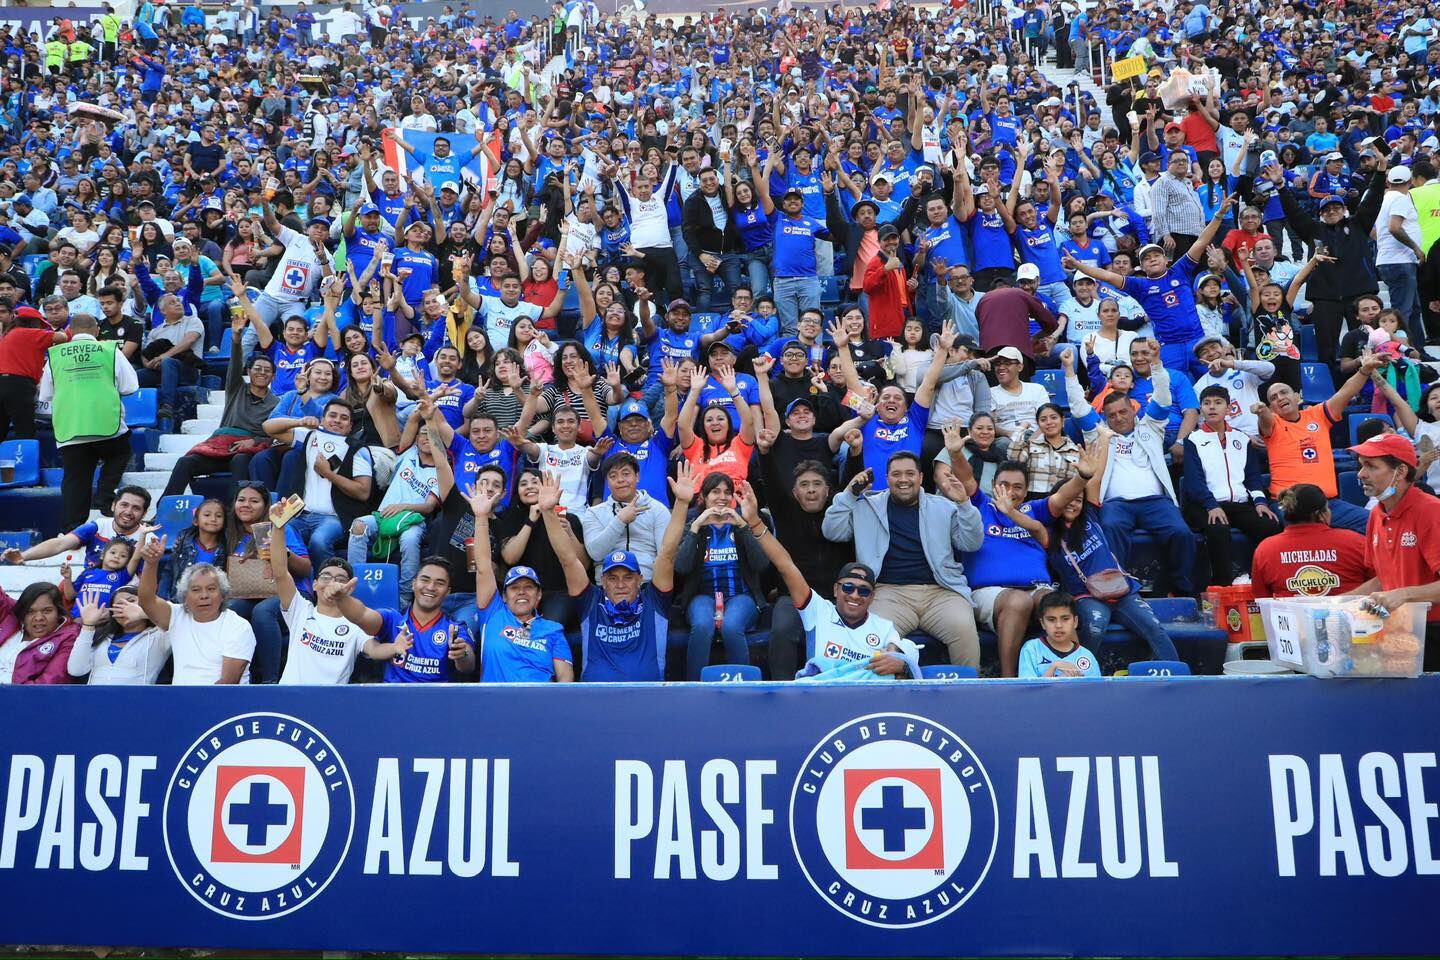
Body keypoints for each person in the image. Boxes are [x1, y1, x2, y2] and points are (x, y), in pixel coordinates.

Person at [739, 478, 919, 681]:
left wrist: (902, 663)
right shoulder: (819, 611)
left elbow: (907, 655)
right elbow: (786, 566)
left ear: (872, 597)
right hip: (823, 699)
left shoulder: (884, 628)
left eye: (864, 590)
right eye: (848, 587)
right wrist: (754, 522)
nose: (855, 595)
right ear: (836, 590)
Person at [822, 451, 984, 666]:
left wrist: (964, 503)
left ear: (921, 477)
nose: (903, 479)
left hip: (941, 592)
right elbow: (832, 531)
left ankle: (966, 695)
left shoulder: (943, 506)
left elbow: (971, 543)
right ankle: (876, 698)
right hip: (889, 593)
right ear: (887, 479)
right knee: (871, 642)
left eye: (910, 473)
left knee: (965, 630)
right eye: (896, 474)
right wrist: (849, 495)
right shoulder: (866, 506)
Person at [1063, 349, 1195, 595]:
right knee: (1110, 528)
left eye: (1123, 412)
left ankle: (1179, 588)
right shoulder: (1100, 432)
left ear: (1134, 410)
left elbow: (1164, 398)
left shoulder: (1151, 427)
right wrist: (1070, 370)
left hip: (1156, 502)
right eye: (1111, 415)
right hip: (1116, 503)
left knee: (1182, 533)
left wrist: (1156, 363)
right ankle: (1120, 589)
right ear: (1105, 417)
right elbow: (1078, 408)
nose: (1118, 418)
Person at [546, 461, 693, 681]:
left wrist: (681, 503)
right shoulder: (591, 603)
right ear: (603, 581)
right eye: (613, 578)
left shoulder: (654, 602)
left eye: (628, 577)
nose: (621, 584)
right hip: (597, 703)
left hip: (648, 701)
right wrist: (548, 512)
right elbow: (568, 560)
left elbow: (667, 554)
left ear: (640, 579)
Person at [267, 495, 409, 684]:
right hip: (290, 699)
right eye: (326, 577)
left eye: (340, 579)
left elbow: (374, 650)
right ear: (315, 584)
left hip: (330, 704)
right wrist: (278, 527)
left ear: (349, 589)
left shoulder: (355, 624)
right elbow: (280, 573)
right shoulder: (300, 610)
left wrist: (395, 647)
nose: (332, 582)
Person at [1255, 353, 1387, 534]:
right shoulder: (1273, 424)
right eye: (1273, 398)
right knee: (1304, 535)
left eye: (1284, 392)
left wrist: (1364, 371)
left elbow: (1345, 392)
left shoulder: (1318, 415)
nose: (1279, 398)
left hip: (1328, 503)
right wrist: (1261, 411)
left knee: (1376, 524)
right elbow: (1265, 420)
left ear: (1298, 397)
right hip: (1289, 504)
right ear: (1272, 408)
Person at [469, 474, 574, 682]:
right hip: (495, 706)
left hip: (537, 709)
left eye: (529, 587)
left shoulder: (552, 630)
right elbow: (483, 567)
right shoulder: (492, 613)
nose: (522, 592)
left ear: (539, 596)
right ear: (504, 595)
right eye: (515, 588)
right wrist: (481, 518)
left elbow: (565, 682)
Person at [38, 312, 138, 530]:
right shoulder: (110, 350)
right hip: (107, 424)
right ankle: (104, 495)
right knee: (121, 452)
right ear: (97, 331)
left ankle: (73, 529)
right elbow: (130, 387)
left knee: (75, 480)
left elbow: (45, 395)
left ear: (70, 332)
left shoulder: (54, 355)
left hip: (70, 427)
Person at [1348, 433, 1440, 669]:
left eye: (1371, 466)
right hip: (1397, 631)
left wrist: (1404, 594)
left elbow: (1397, 591)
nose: (1361, 474)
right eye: (1361, 466)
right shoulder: (1377, 514)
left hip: (1433, 632)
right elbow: (1384, 580)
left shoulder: (1431, 512)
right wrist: (1338, 602)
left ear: (1400, 472)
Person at [1182, 384, 1283, 585]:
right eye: (1207, 403)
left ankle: (1259, 579)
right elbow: (1193, 482)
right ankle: (1222, 586)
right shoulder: (1193, 439)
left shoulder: (1241, 438)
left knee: (1271, 525)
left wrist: (1260, 502)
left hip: (1239, 502)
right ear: (1201, 408)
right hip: (1204, 505)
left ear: (1228, 409)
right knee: (1218, 528)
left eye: (1218, 403)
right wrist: (1211, 504)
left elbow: (1252, 475)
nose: (1212, 407)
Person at [675, 472, 770, 681]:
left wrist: (743, 527)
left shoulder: (743, 523)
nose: (722, 497)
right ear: (704, 497)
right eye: (715, 491)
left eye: (727, 492)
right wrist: (696, 527)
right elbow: (681, 567)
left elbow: (762, 564)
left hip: (740, 595)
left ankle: (743, 687)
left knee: (732, 626)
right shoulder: (693, 523)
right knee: (701, 625)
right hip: (702, 596)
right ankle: (693, 688)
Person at [333, 553, 477, 683]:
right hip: (393, 702)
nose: (431, 587)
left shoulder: (455, 628)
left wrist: (461, 654)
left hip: (436, 704)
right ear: (413, 584)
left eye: (440, 583)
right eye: (425, 580)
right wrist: (341, 599)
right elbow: (361, 615)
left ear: (448, 592)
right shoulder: (392, 619)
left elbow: (467, 666)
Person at [135, 534, 255, 684]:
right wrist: (151, 563)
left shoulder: (238, 626)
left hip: (222, 703)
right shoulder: (176, 616)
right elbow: (146, 600)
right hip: (182, 701)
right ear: (185, 597)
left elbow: (228, 683)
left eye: (211, 589)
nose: (204, 595)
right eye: (196, 590)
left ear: (223, 595)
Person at [1251, 484, 1370, 599]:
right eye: (1328, 508)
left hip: (1292, 618)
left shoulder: (1265, 549)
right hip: (1349, 616)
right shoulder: (1357, 542)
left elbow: (1261, 598)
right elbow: (1381, 583)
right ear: (1320, 514)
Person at [66, 586, 169, 685]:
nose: (125, 607)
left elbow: (177, 615)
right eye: (118, 604)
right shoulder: (101, 637)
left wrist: (145, 612)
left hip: (136, 701)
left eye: (131, 601)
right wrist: (88, 625)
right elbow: (76, 670)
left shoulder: (160, 635)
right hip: (95, 700)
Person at [0, 583, 81, 684]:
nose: (38, 618)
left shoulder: (68, 638)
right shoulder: (11, 618)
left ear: (59, 612)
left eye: (47, 611)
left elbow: (48, 684)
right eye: (30, 611)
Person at [1017, 592, 1101, 679]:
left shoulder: (1087, 656)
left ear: (1075, 622)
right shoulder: (1031, 649)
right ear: (1042, 623)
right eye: (1051, 619)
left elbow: (1095, 691)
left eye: (1065, 619)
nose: (1058, 625)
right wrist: (1053, 668)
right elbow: (1027, 691)